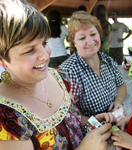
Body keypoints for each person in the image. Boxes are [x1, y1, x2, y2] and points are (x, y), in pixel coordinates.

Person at [0, 0, 117, 149]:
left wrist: (89, 122)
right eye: (29, 50)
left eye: (44, 43)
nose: (45, 55)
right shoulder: (6, 118)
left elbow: (70, 122)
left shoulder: (59, 76)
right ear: (2, 60)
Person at [59, 11, 127, 120]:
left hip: (116, 123)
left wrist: (119, 101)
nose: (90, 42)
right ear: (73, 42)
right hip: (89, 132)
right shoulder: (68, 71)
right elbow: (67, 114)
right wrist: (95, 121)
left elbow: (121, 85)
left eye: (93, 34)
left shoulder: (108, 60)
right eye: (82, 38)